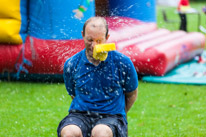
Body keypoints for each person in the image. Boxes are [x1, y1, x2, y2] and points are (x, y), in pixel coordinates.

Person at [57, 17, 138, 137]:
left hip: (112, 116)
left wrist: (120, 114)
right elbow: (73, 94)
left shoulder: (122, 62)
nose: (93, 45)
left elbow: (132, 94)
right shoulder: (72, 64)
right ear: (83, 35)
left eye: (99, 41)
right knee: (69, 133)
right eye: (90, 40)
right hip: (80, 115)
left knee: (100, 132)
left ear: (107, 38)